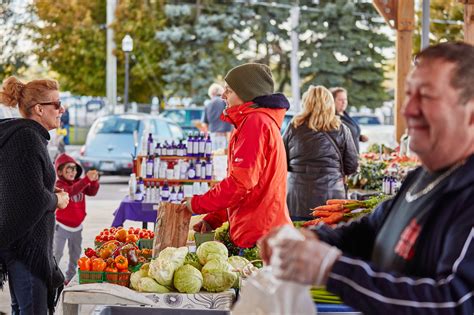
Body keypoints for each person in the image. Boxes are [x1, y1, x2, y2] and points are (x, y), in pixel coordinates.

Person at [260, 42, 474, 314]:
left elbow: (456, 303)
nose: (407, 110)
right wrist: (311, 240)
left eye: (427, 96)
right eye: (409, 95)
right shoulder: (422, 177)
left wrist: (330, 268)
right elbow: (371, 231)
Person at [184, 63, 292, 249]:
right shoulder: (251, 121)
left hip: (259, 233)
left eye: (229, 90)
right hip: (258, 229)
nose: (223, 95)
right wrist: (214, 218)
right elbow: (245, 185)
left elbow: (240, 184)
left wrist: (197, 204)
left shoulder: (255, 123)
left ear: (246, 93)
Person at [0, 76, 70, 314]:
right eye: (57, 104)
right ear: (39, 109)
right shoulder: (27, 138)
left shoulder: (26, 136)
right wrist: (56, 200)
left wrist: (47, 191)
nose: (62, 109)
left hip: (23, 245)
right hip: (26, 248)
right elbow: (29, 200)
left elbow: (21, 188)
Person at [283, 85, 358, 221]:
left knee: (298, 238)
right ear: (330, 104)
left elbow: (282, 161)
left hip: (296, 199)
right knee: (328, 239)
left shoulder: (293, 127)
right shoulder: (341, 129)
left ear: (306, 103)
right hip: (331, 200)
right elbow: (352, 166)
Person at [53, 153, 100, 284]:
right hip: (62, 226)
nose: (73, 172)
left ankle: (70, 278)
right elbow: (70, 191)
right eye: (69, 168)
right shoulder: (59, 184)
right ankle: (52, 277)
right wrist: (86, 180)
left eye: (74, 168)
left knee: (75, 255)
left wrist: (94, 181)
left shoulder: (79, 182)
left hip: (77, 228)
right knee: (57, 254)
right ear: (60, 171)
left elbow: (92, 192)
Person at [331, 87, 368, 152]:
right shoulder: (333, 118)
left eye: (345, 99)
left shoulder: (345, 115)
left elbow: (349, 134)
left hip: (354, 156)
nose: (344, 102)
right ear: (332, 101)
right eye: (340, 99)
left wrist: (360, 137)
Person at [202, 83, 233, 151]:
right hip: (226, 136)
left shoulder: (208, 104)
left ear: (212, 93)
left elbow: (204, 125)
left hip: (212, 136)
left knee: (214, 157)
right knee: (224, 158)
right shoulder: (226, 102)